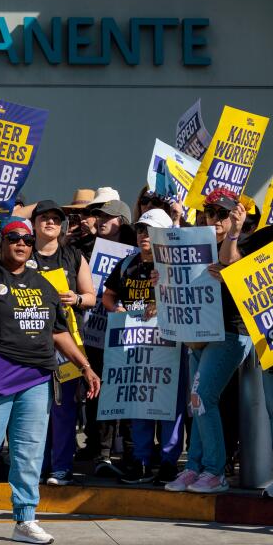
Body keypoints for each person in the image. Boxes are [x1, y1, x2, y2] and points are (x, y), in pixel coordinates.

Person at [0, 207, 100, 544]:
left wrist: (84, 366)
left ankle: (25, 518)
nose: (22, 243)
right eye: (14, 238)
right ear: (2, 242)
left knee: (28, 451)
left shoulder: (44, 284)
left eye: (27, 239)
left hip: (37, 377)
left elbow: (59, 332)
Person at [165, 189, 253, 494]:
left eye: (222, 213)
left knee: (202, 397)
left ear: (235, 215)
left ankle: (215, 472)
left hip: (231, 332)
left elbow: (235, 262)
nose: (214, 219)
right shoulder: (198, 246)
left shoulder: (243, 242)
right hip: (201, 333)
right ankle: (194, 468)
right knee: (196, 401)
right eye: (210, 213)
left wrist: (234, 234)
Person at [102, 208, 185, 485]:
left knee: (169, 404)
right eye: (139, 230)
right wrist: (118, 310)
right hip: (134, 345)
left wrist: (160, 297)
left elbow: (187, 299)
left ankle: (169, 462)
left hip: (169, 345)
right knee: (139, 401)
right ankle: (141, 461)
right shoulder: (127, 264)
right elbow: (108, 297)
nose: (143, 235)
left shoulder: (174, 264)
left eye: (149, 231)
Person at [29, 200, 96, 487]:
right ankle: (35, 466)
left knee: (63, 407)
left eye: (56, 218)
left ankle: (60, 468)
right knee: (32, 409)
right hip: (28, 341)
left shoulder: (73, 255)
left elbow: (91, 295)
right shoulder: (21, 250)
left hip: (66, 342)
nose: (51, 222)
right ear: (33, 223)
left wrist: (76, 299)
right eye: (44, 217)